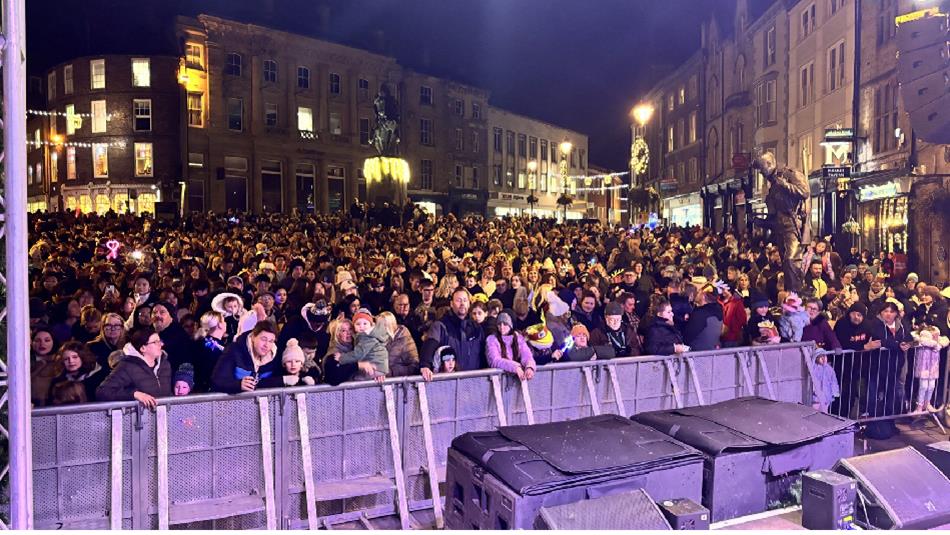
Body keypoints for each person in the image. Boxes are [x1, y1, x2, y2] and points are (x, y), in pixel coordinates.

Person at [96, 327, 173, 408]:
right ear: (143, 348)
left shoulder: (165, 365)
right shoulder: (127, 366)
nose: (161, 344)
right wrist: (134, 394)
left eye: (160, 341)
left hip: (163, 417)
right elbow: (102, 392)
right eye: (155, 342)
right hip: (138, 418)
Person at [420, 288, 484, 380]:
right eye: (458, 300)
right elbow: (429, 346)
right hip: (449, 383)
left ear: (469, 303)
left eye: (465, 300)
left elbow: (483, 353)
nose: (462, 304)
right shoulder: (441, 326)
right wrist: (425, 365)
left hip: (473, 383)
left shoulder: (477, 328)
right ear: (451, 304)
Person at [211, 321, 283, 394]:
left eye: (271, 341)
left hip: (263, 403)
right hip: (233, 403)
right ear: (253, 337)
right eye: (263, 339)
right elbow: (217, 381)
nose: (266, 345)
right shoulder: (234, 351)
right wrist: (238, 385)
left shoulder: (275, 356)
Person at [332, 309, 390, 379]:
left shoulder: (366, 337)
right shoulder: (334, 351)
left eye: (350, 329)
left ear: (370, 325)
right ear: (337, 334)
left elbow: (358, 354)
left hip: (374, 366)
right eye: (343, 330)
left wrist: (342, 358)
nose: (361, 326)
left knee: (357, 379)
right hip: (377, 367)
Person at [485, 312, 536, 380]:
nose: (502, 327)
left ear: (511, 325)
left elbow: (527, 355)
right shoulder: (492, 339)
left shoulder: (519, 338)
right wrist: (515, 367)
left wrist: (529, 367)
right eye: (499, 324)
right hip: (497, 380)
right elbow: (495, 360)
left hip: (517, 381)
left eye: (505, 324)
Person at [683, 284, 723, 351]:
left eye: (698, 292)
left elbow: (687, 336)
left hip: (698, 353)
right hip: (713, 352)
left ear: (703, 295)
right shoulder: (718, 310)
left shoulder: (700, 314)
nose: (696, 294)